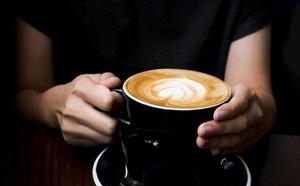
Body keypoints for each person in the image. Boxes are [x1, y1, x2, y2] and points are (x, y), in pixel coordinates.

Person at [14, 0, 277, 156]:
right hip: (75, 164)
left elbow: (259, 95)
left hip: (202, 161)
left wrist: (254, 114)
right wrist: (49, 106)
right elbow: (24, 94)